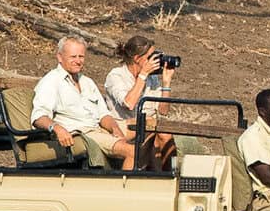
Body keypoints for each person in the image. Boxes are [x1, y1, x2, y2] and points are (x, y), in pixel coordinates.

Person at [30, 36, 133, 165]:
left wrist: (115, 128)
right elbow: (39, 116)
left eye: (81, 56)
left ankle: (156, 173)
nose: (78, 61)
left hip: (99, 128)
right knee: (132, 151)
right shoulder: (51, 81)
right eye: (73, 57)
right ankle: (131, 182)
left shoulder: (87, 82)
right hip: (82, 134)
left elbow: (103, 114)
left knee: (149, 127)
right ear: (60, 57)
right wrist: (56, 128)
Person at [104, 34, 177, 169]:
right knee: (155, 127)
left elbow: (163, 111)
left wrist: (167, 82)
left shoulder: (152, 78)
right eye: (151, 57)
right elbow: (129, 104)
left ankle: (169, 177)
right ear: (137, 59)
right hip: (121, 125)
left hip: (147, 125)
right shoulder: (116, 76)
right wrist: (142, 75)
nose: (154, 61)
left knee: (164, 133)